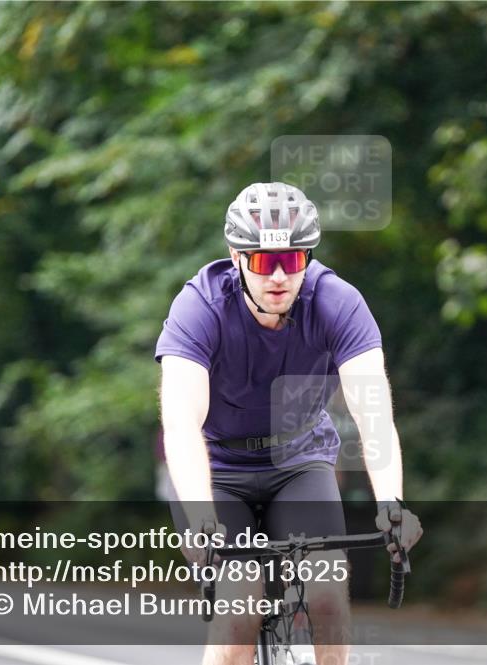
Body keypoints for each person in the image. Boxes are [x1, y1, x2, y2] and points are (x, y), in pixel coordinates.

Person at [155, 182, 422, 665]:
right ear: (236, 257)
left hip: (298, 460)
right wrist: (200, 518)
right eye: (263, 262)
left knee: (326, 592)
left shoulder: (337, 303)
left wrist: (392, 504)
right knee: (239, 609)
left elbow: (374, 416)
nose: (279, 276)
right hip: (218, 468)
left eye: (293, 260)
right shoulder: (200, 307)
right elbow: (181, 424)